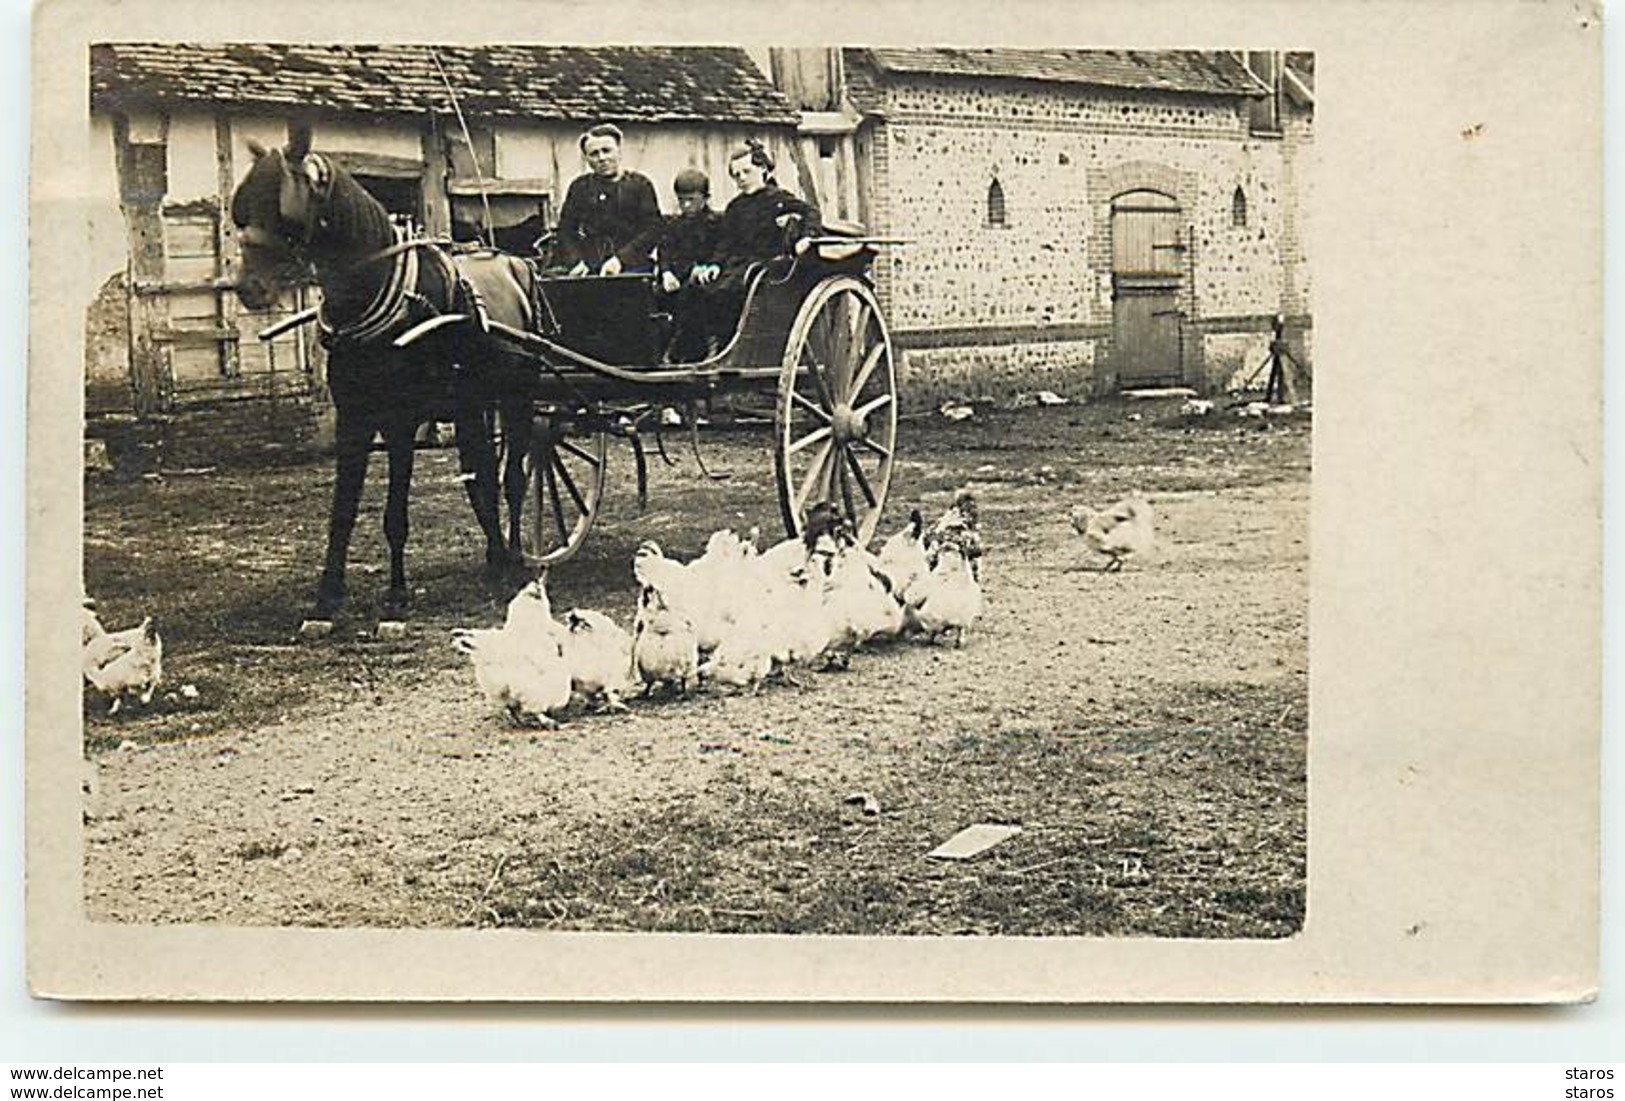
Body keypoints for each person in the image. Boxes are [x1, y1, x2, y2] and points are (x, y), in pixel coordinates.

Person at [693, 140, 822, 342]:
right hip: (737, 265)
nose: (742, 179)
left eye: (747, 171)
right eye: (736, 175)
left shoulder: (778, 198)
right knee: (700, 289)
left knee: (728, 291)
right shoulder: (735, 207)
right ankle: (714, 345)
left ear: (762, 169)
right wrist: (715, 264)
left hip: (766, 264)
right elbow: (725, 242)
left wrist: (807, 237)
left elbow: (811, 212)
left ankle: (731, 345)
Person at [551, 123, 663, 277]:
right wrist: (576, 261)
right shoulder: (580, 187)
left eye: (606, 151)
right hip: (589, 269)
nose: (602, 158)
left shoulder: (640, 185)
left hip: (633, 268)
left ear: (619, 151)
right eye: (594, 154)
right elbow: (566, 230)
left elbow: (652, 230)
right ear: (587, 158)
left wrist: (620, 260)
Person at [640, 167, 723, 362]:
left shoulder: (716, 224)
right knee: (653, 298)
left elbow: (721, 251)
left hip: (707, 279)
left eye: (691, 200)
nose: (686, 205)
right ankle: (657, 349)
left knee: (692, 297)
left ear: (705, 198)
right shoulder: (674, 225)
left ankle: (699, 348)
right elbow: (665, 251)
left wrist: (704, 267)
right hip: (679, 277)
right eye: (681, 200)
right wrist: (667, 272)